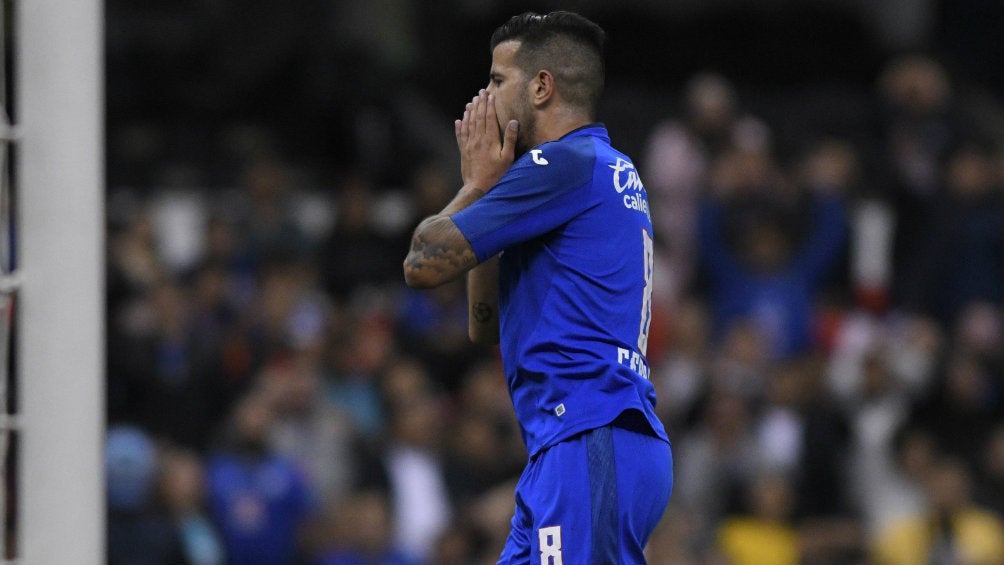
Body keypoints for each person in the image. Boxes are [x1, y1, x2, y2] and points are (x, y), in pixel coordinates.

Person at [402, 11, 673, 564]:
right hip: (570, 445)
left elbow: (423, 262)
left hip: (588, 434)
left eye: (499, 81)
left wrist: (476, 185)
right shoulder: (598, 165)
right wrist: (493, 198)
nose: (487, 97)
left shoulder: (563, 163)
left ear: (542, 86)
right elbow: (486, 326)